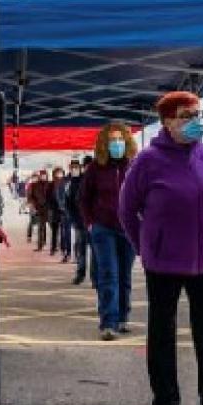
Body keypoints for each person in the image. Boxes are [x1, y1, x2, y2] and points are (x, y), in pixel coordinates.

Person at [119, 92, 203, 405]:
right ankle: (165, 404)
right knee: (162, 333)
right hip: (164, 262)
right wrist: (145, 245)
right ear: (168, 120)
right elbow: (128, 210)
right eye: (186, 115)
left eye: (198, 114)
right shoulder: (147, 161)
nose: (195, 120)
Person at [80, 123, 138, 339]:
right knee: (108, 274)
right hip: (103, 229)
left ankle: (123, 317)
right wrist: (90, 223)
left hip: (129, 229)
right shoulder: (95, 168)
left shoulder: (135, 166)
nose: (116, 144)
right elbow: (83, 198)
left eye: (120, 140)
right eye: (112, 140)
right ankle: (108, 322)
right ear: (105, 143)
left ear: (127, 142)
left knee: (124, 275)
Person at [59, 159, 82, 266]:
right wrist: (63, 207)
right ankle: (67, 253)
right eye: (73, 167)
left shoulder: (83, 179)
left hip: (79, 213)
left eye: (77, 167)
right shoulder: (65, 180)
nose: (75, 169)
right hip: (66, 212)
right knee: (67, 234)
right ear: (70, 168)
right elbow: (59, 194)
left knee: (78, 237)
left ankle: (77, 256)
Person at [27, 169, 53, 252]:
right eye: (42, 175)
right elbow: (30, 197)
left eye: (44, 175)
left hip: (49, 209)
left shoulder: (50, 184)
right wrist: (34, 205)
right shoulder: (34, 185)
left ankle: (55, 245)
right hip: (39, 209)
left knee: (53, 228)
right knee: (41, 228)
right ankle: (40, 246)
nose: (43, 176)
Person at [47, 167, 66, 257]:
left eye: (61, 173)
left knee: (63, 231)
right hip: (54, 211)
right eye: (57, 173)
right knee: (54, 231)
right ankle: (53, 248)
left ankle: (63, 248)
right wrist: (51, 207)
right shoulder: (51, 185)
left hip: (63, 211)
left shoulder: (65, 183)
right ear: (54, 174)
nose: (59, 175)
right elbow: (48, 197)